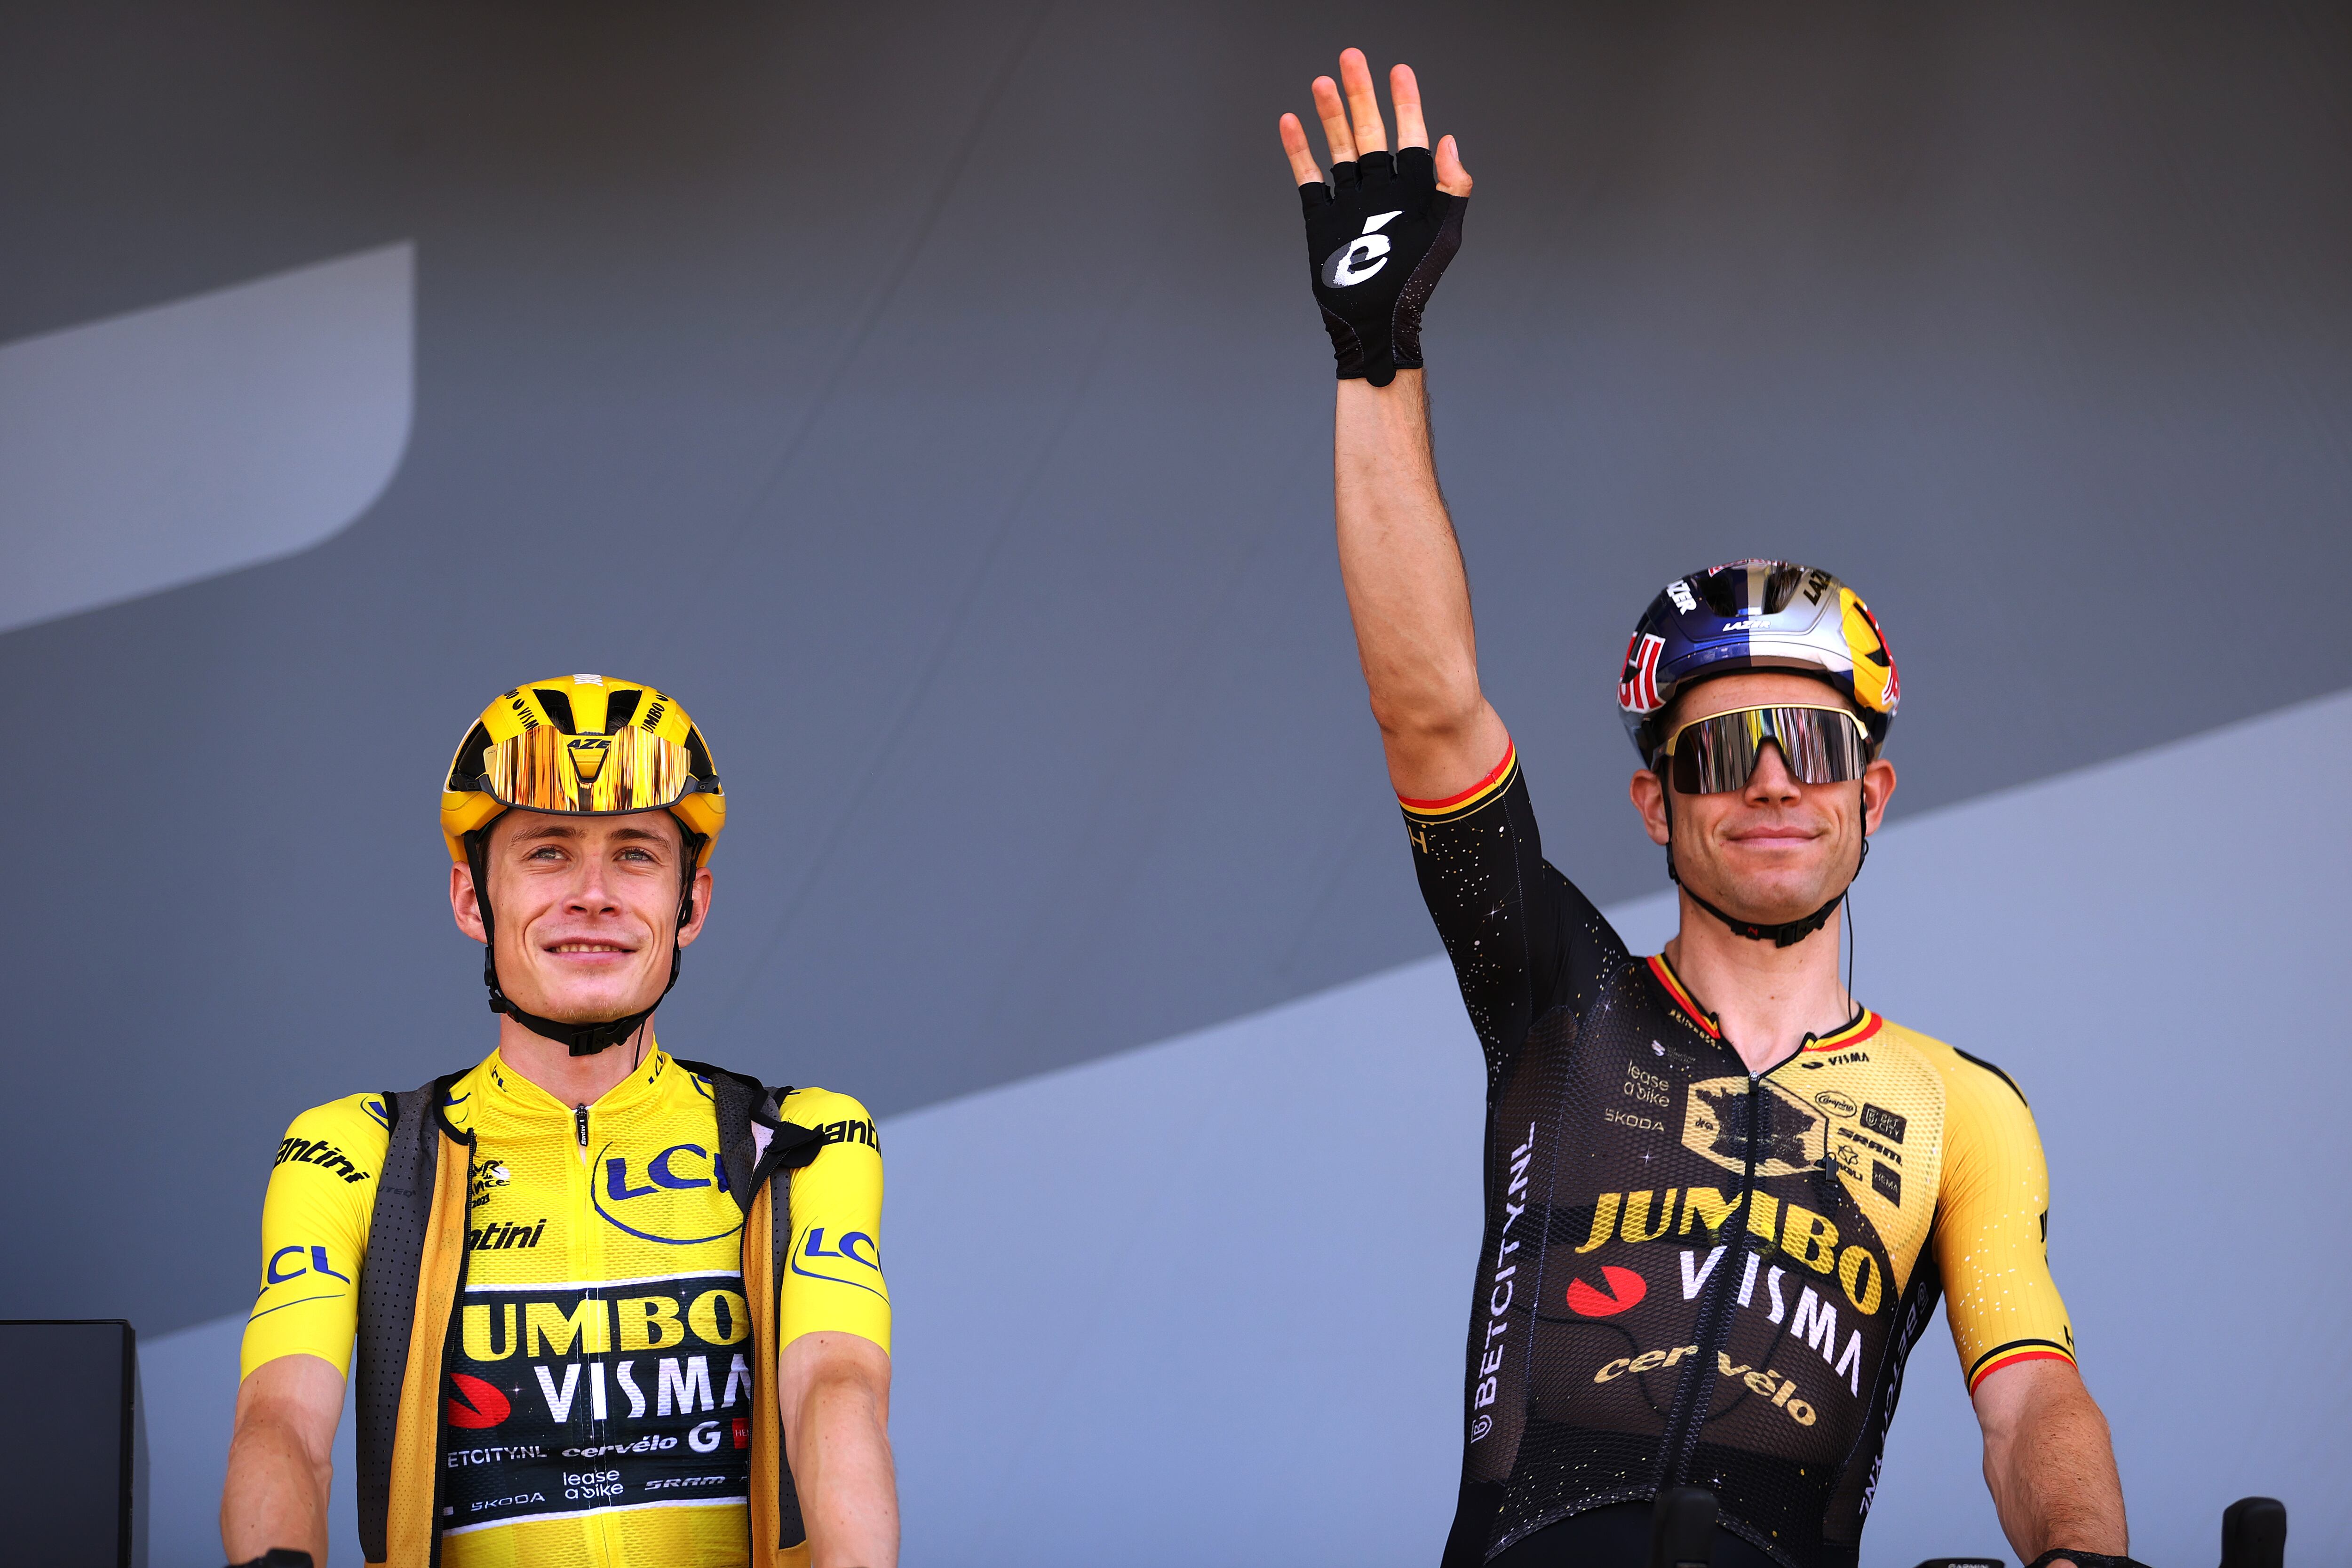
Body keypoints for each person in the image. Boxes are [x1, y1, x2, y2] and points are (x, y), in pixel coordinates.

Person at [1279, 51, 2139, 1568]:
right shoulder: (1563, 998)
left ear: (1873, 791)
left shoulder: (1965, 1109)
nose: (1768, 779)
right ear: (1651, 800)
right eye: (1719, 747)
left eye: (1810, 741)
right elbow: (1427, 705)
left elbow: (2030, 1397)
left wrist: (2082, 1550)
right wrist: (1375, 350)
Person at [220, 676, 896, 1568]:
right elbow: (284, 1426)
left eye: (636, 854)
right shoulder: (359, 1153)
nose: (593, 893)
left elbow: (834, 1390)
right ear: (472, 901)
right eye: (547, 852)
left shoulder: (800, 1140)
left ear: (689, 905)